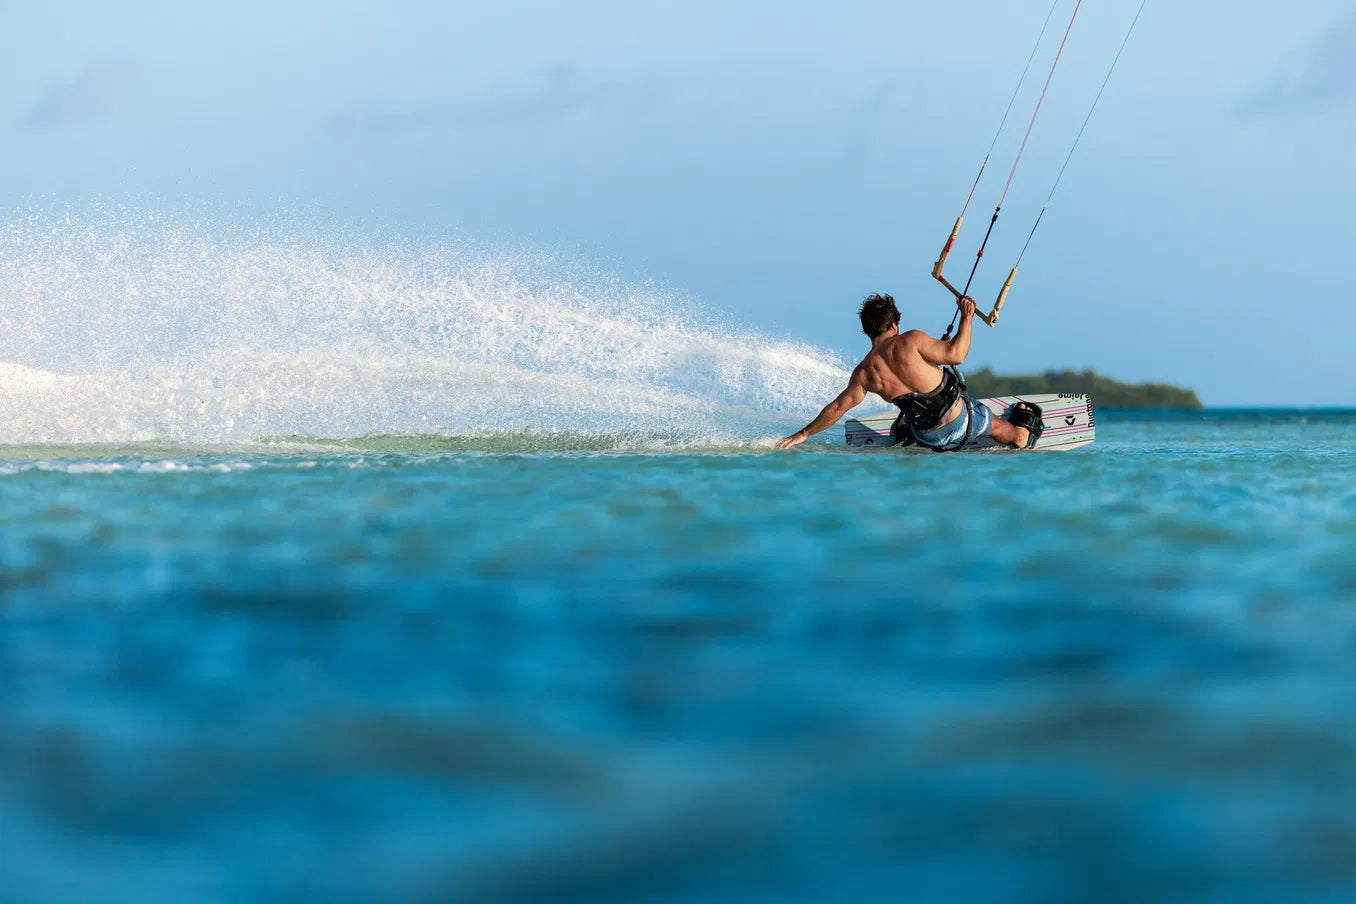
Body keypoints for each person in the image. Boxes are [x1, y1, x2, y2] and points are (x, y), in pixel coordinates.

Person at [775, 293, 1043, 452]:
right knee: (995, 425)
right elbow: (957, 355)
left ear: (867, 331)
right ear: (894, 324)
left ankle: (908, 435)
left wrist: (801, 435)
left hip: (929, 438)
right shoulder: (911, 340)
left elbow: (837, 408)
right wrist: (967, 317)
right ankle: (1019, 436)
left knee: (909, 418)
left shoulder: (864, 373)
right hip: (962, 421)